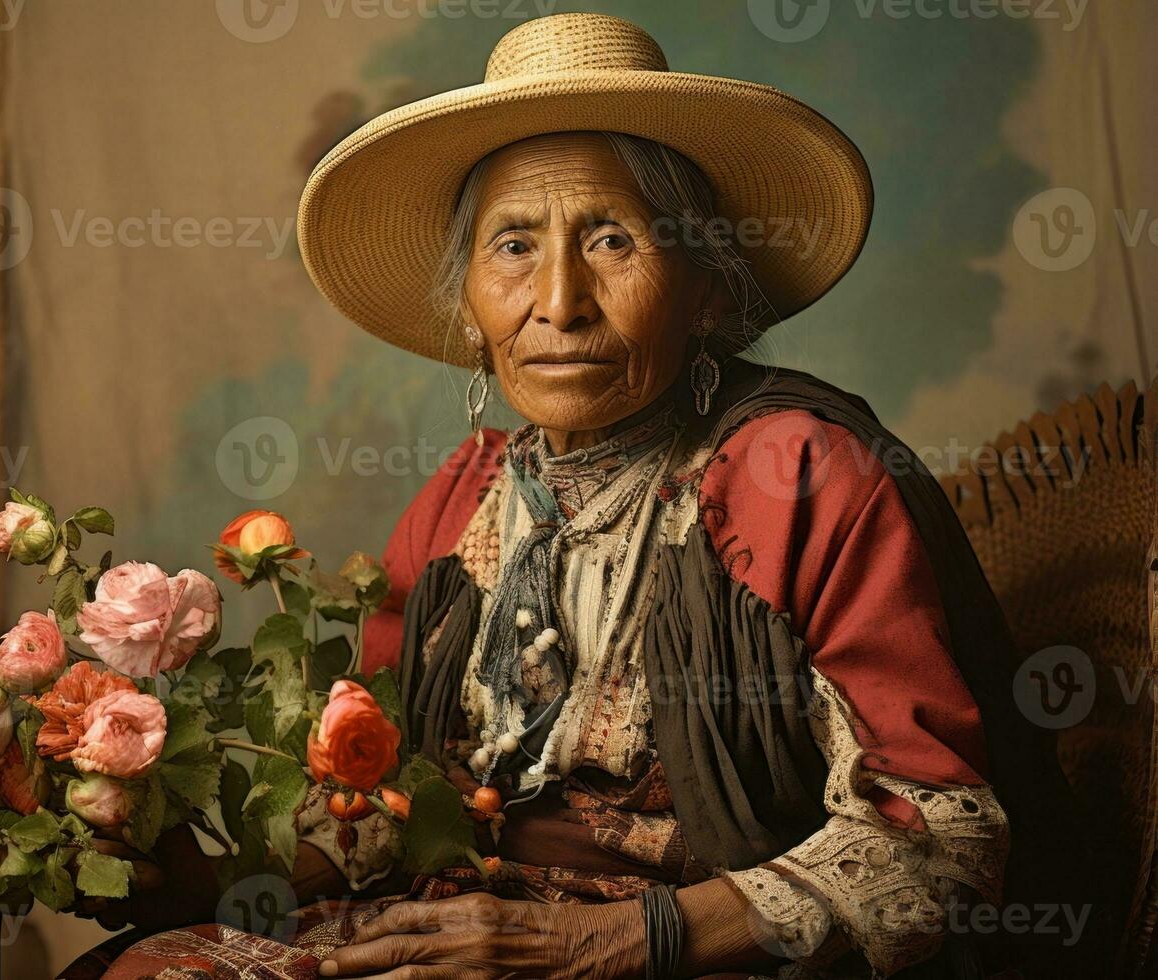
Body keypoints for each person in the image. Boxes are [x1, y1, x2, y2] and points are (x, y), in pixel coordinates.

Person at [101, 13, 1081, 979]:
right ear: (470, 307)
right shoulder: (462, 501)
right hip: (451, 927)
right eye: (514, 245)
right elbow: (388, 805)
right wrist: (217, 874)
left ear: (705, 289)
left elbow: (939, 847)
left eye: (612, 239)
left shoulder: (797, 474)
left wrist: (618, 940)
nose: (559, 301)